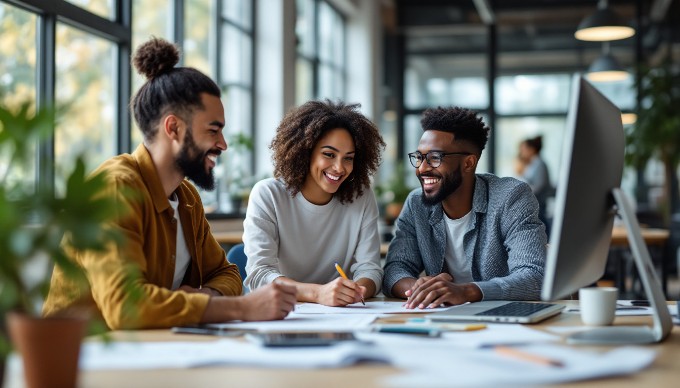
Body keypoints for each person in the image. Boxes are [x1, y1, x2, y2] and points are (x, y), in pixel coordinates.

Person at [43, 37, 297, 329]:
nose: (223, 144)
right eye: (213, 130)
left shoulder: (186, 196)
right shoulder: (114, 188)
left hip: (155, 350)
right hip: (87, 358)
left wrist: (207, 296)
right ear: (173, 127)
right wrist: (240, 307)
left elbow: (227, 273)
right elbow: (126, 307)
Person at [382, 106, 547, 309]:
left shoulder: (510, 197)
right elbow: (394, 270)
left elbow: (534, 276)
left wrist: (466, 291)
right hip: (443, 319)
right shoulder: (416, 204)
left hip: (502, 319)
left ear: (468, 163)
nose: (422, 168)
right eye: (419, 157)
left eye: (434, 158)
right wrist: (419, 288)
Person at [243, 100, 385, 306]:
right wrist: (318, 294)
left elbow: (371, 268)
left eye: (348, 158)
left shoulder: (361, 197)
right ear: (305, 151)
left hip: (341, 315)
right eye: (329, 154)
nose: (339, 167)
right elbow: (259, 274)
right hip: (283, 313)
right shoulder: (268, 195)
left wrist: (358, 290)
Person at [516, 135, 552, 233]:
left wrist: (524, 191)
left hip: (538, 203)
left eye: (523, 149)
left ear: (532, 149)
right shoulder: (532, 164)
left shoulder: (540, 164)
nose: (521, 152)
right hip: (533, 203)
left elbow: (539, 185)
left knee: (543, 229)